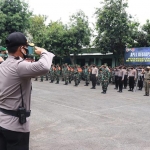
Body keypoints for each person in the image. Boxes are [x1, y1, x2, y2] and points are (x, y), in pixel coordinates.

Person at [0, 32, 54, 150]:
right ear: (21, 48)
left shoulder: (3, 65)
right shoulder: (19, 66)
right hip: (15, 126)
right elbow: (44, 67)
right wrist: (44, 52)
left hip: (2, 121)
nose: (27, 49)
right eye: (26, 47)